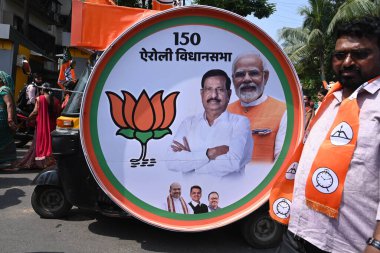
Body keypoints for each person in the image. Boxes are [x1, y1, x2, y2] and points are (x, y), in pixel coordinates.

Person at [273, 17, 380, 253]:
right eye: (340, 55)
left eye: (360, 54)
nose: (347, 62)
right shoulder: (330, 100)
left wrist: (377, 242)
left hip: (345, 245)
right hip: (296, 234)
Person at [167, 69, 253, 178]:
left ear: (229, 94)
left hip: (231, 193)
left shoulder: (240, 123)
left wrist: (190, 161)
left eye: (220, 89)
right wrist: (209, 153)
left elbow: (233, 163)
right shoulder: (188, 123)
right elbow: (171, 162)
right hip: (191, 193)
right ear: (202, 93)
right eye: (209, 89)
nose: (214, 95)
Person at [227, 52, 286, 163]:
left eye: (253, 73)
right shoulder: (224, 113)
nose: (246, 79)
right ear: (233, 79)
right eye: (240, 74)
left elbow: (281, 161)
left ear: (265, 76)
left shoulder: (283, 111)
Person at [14, 83, 61, 169]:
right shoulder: (56, 100)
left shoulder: (40, 98)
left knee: (39, 143)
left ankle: (39, 162)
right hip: (52, 126)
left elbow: (35, 112)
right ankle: (48, 162)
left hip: (41, 125)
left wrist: (28, 118)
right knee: (49, 143)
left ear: (42, 90)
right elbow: (58, 113)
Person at [0, 71, 17, 168]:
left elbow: (9, 104)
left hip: (3, 119)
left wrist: (10, 119)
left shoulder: (4, 89)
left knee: (6, 139)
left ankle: (12, 162)